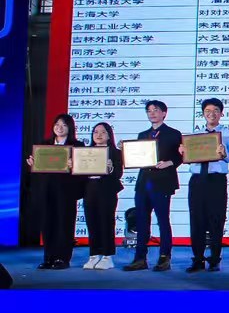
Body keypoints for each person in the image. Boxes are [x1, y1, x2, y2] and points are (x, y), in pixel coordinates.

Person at [179, 97, 229, 272]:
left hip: (216, 181)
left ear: (221, 113)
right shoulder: (195, 135)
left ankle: (214, 259)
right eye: (207, 111)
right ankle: (197, 259)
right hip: (197, 180)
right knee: (196, 220)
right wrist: (183, 153)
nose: (211, 114)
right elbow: (188, 158)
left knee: (216, 220)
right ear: (203, 114)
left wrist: (224, 154)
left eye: (215, 111)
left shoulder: (228, 133)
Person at [123, 100, 184, 272]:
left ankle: (164, 257)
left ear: (164, 113)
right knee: (141, 221)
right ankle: (140, 258)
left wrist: (169, 163)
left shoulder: (174, 134)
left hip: (163, 182)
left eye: (155, 110)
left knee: (163, 220)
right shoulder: (143, 134)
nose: (152, 113)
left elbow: (181, 156)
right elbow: (136, 157)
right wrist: (125, 151)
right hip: (143, 182)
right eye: (149, 111)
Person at [26, 113, 84, 270]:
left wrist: (75, 165)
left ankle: (62, 258)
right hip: (46, 191)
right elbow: (38, 171)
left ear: (70, 128)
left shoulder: (77, 145)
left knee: (64, 224)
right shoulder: (43, 145)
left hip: (66, 192)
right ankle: (49, 258)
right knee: (47, 224)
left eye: (64, 125)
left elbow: (84, 171)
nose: (60, 128)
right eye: (57, 124)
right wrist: (32, 164)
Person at [81, 122, 123, 269]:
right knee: (91, 223)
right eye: (95, 132)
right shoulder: (85, 152)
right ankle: (93, 255)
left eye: (103, 132)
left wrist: (110, 169)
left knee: (106, 222)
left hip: (107, 190)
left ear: (109, 135)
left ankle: (107, 256)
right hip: (89, 190)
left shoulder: (115, 152)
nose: (98, 135)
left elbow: (118, 174)